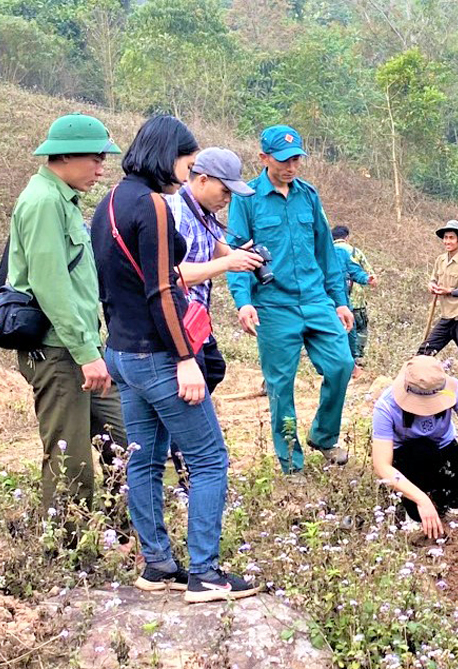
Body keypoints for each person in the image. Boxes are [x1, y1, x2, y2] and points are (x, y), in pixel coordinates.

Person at [91, 116, 257, 602]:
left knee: (145, 459)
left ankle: (158, 564)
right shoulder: (156, 208)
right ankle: (205, 573)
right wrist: (185, 358)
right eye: (188, 162)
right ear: (170, 156)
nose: (188, 172)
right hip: (160, 356)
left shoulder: (110, 203)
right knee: (210, 460)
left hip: (121, 353)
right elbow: (163, 289)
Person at [8, 113, 127, 536]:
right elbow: (50, 284)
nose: (101, 168)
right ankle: (65, 553)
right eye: (95, 159)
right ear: (65, 156)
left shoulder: (61, 200)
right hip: (59, 353)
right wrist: (85, 353)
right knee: (70, 461)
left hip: (79, 350)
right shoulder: (42, 202)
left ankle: (125, 534)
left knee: (122, 441)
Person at [226, 124, 354, 475]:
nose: (292, 166)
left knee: (341, 365)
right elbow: (237, 252)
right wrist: (243, 301)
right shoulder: (247, 198)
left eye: (296, 158)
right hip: (273, 304)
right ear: (264, 157)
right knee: (281, 386)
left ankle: (324, 436)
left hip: (315, 299)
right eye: (284, 160)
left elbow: (326, 252)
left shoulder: (308, 196)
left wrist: (339, 300)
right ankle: (291, 465)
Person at [164, 147, 262, 490]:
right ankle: (188, 469)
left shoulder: (204, 212)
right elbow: (172, 274)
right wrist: (227, 264)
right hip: (176, 319)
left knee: (214, 370)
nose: (227, 200)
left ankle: (177, 443)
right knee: (192, 394)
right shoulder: (176, 212)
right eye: (225, 191)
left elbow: (215, 245)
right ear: (202, 179)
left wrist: (239, 254)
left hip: (198, 321)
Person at [372, 356, 458, 540]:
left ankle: (449, 502)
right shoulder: (386, 406)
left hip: (443, 451)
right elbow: (382, 465)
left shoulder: (456, 390)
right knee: (420, 449)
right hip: (409, 461)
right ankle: (414, 512)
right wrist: (421, 499)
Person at [416, 220, 458, 387]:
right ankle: (420, 385)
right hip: (446, 317)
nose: (447, 241)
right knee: (424, 351)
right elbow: (433, 279)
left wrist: (449, 291)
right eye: (445, 238)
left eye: (451, 238)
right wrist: (431, 285)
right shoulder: (440, 260)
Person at [332, 226, 376, 372]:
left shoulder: (338, 253)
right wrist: (368, 278)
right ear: (347, 237)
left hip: (343, 301)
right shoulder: (354, 251)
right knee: (358, 329)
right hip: (349, 300)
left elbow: (355, 271)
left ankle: (350, 363)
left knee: (346, 330)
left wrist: (364, 278)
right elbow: (365, 272)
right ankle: (356, 357)